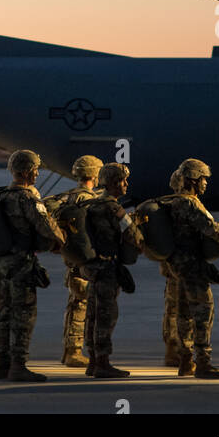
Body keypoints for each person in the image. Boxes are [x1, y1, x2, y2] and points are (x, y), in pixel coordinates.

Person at [0, 149, 64, 383]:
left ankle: (2, 365)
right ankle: (18, 366)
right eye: (35, 169)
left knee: (5, 314)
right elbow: (46, 226)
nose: (37, 174)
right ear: (26, 171)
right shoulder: (27, 198)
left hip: (2, 264)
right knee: (24, 316)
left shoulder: (1, 196)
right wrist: (61, 241)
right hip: (21, 264)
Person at [169, 157, 219, 380]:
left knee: (184, 313)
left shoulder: (174, 201)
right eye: (204, 178)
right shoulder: (190, 204)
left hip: (179, 266)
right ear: (194, 179)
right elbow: (210, 229)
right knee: (204, 312)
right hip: (194, 267)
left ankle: (186, 361)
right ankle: (203, 363)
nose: (206, 182)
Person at [82, 161, 142, 378]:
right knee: (106, 314)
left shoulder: (93, 205)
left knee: (92, 313)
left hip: (93, 267)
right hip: (108, 268)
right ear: (115, 183)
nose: (126, 184)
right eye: (124, 180)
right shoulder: (114, 209)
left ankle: (92, 360)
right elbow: (133, 236)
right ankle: (102, 363)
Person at [56, 154, 103, 367]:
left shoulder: (65, 197)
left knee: (74, 303)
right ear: (95, 174)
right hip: (86, 261)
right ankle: (74, 351)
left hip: (71, 259)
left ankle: (69, 350)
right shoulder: (91, 200)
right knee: (82, 305)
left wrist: (60, 243)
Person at [160, 167, 184, 367]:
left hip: (169, 265)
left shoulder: (164, 207)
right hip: (187, 266)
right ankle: (185, 352)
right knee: (194, 308)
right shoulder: (189, 206)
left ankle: (171, 349)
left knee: (172, 308)